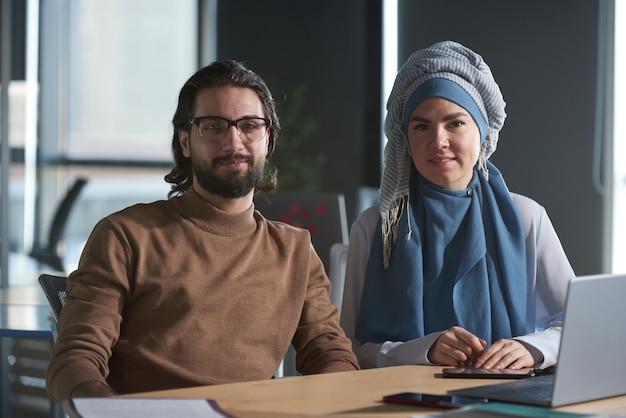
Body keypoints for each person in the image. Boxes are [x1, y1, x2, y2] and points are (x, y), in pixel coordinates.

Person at [46, 60, 359, 404]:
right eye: (213, 126)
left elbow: (331, 354)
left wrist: (334, 397)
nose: (233, 141)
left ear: (267, 139)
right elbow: (75, 361)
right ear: (185, 141)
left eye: (250, 126)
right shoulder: (125, 236)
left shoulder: (295, 250)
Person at [340, 41, 575, 370]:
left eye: (455, 123)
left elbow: (575, 324)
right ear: (404, 138)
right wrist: (424, 350)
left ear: (482, 131)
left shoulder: (526, 218)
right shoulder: (377, 227)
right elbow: (348, 347)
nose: (438, 141)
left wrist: (530, 348)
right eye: (421, 126)